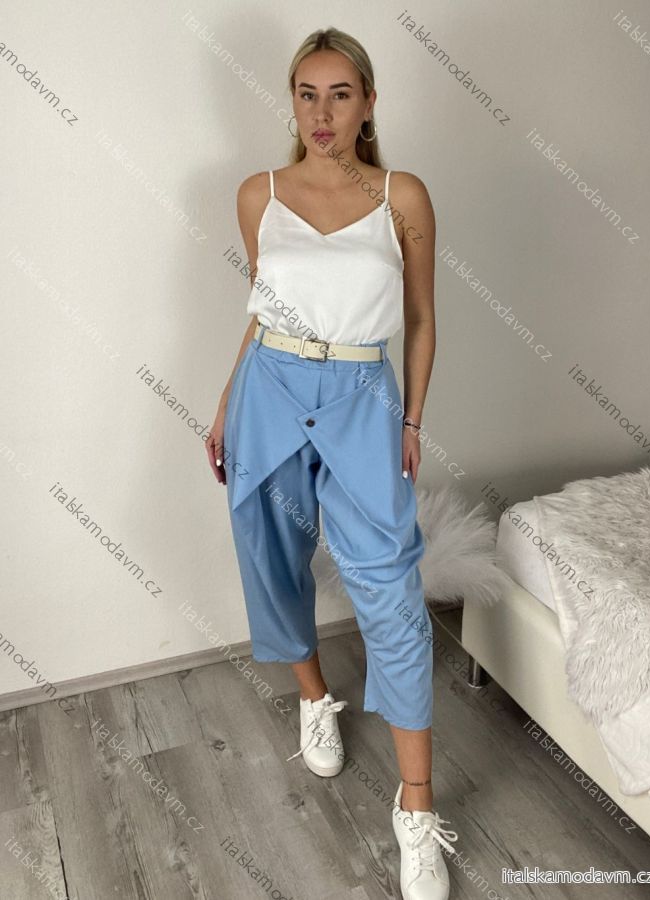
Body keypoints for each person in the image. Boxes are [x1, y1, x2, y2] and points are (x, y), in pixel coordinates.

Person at [206, 26, 458, 899]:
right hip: (268, 392)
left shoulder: (402, 195)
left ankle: (416, 807)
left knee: (390, 588)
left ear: (368, 102)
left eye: (339, 93)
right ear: (292, 102)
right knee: (270, 561)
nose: (321, 112)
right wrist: (226, 401)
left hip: (362, 398)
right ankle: (314, 698)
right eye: (306, 94)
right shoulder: (259, 194)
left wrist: (411, 417)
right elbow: (265, 305)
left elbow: (419, 317)